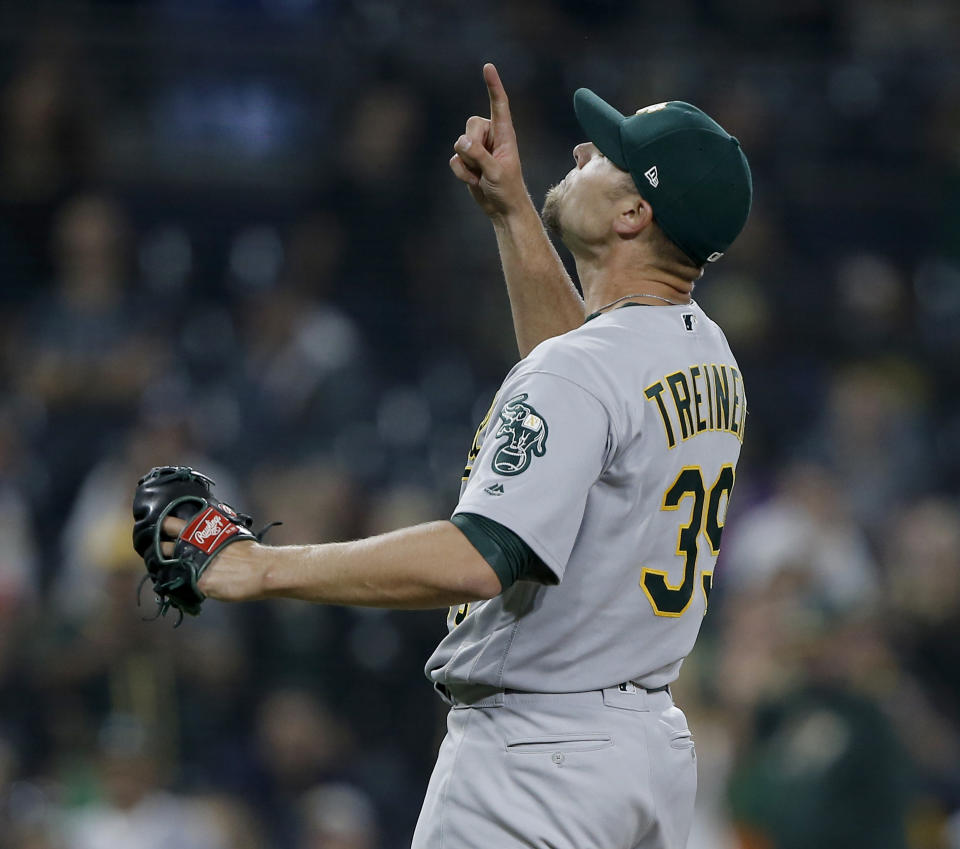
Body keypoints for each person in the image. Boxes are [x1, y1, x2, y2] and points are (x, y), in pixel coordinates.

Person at [158, 64, 752, 849]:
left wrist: (257, 565)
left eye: (606, 155)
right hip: (645, 756)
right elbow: (583, 391)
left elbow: (484, 554)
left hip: (534, 758)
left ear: (634, 213)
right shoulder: (709, 356)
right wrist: (511, 211)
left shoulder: (584, 371)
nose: (578, 150)